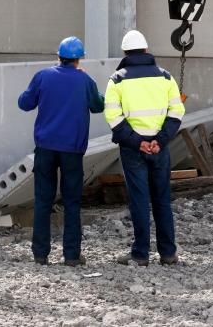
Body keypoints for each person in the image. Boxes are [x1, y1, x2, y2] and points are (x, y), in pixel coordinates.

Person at [18, 36, 104, 267]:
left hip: (45, 148)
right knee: (72, 202)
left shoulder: (43, 76)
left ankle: (40, 254)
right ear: (78, 59)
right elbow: (98, 106)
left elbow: (24, 103)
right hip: (73, 150)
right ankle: (72, 255)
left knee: (43, 200)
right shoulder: (85, 80)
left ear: (59, 57)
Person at [104, 29, 185, 267]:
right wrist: (159, 141)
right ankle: (168, 254)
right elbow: (176, 112)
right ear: (147, 50)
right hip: (160, 148)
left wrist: (137, 142)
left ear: (124, 52)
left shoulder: (117, 80)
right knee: (162, 199)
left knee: (139, 200)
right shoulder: (165, 77)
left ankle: (140, 254)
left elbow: (113, 117)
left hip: (133, 149)